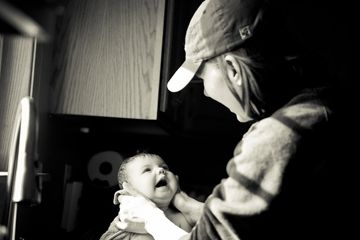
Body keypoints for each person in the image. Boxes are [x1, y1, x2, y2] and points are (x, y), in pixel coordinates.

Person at [115, 0, 353, 239]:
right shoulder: (321, 103)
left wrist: (150, 218)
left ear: (233, 70)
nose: (206, 92)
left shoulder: (275, 138)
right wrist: (188, 205)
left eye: (202, 78)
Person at [99, 152, 193, 240]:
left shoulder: (182, 218)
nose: (161, 170)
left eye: (165, 167)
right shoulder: (128, 217)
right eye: (147, 170)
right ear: (128, 190)